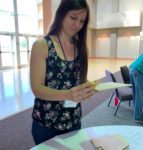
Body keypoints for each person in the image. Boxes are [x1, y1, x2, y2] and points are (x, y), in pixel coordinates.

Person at [30, 0, 95, 145]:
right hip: (46, 123)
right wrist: (68, 94)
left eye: (82, 21)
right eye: (73, 18)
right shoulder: (42, 45)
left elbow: (79, 80)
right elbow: (37, 88)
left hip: (73, 120)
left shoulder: (81, 48)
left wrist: (87, 87)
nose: (77, 25)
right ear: (61, 14)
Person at [129, 48, 143, 123]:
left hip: (133, 68)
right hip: (142, 72)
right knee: (140, 95)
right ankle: (138, 116)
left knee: (136, 94)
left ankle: (136, 113)